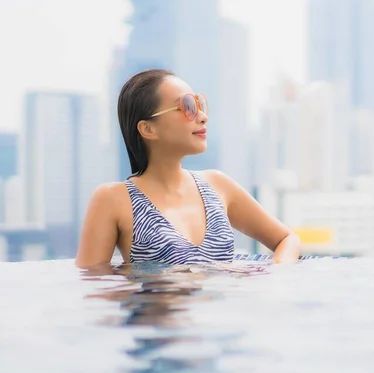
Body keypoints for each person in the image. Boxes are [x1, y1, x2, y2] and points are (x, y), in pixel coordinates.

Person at [75, 69, 301, 267]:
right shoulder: (112, 199)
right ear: (148, 129)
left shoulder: (218, 185)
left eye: (199, 105)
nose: (202, 117)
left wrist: (276, 271)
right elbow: (94, 287)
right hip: (155, 316)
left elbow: (287, 239)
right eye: (187, 107)